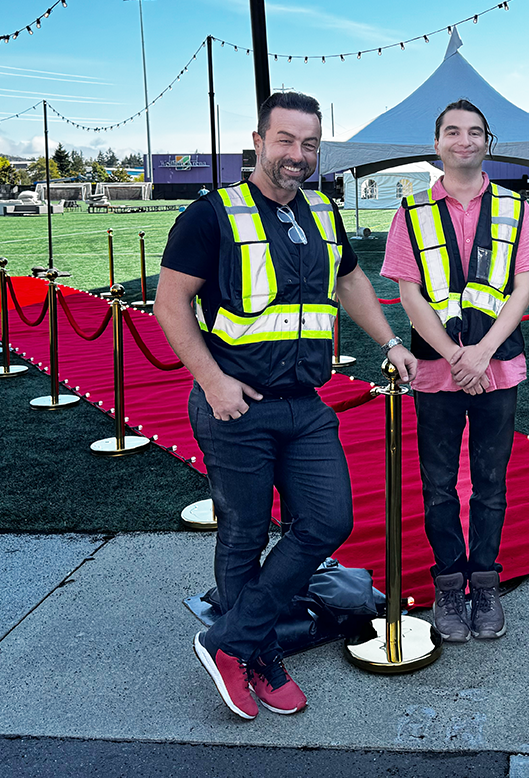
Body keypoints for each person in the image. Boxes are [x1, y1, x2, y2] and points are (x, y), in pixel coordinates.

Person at [156, 91, 416, 720]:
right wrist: (213, 382)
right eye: (286, 141)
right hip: (236, 406)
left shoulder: (323, 212)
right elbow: (171, 305)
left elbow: (350, 279)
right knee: (244, 534)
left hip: (306, 403)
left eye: (310, 144)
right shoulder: (210, 213)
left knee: (327, 523)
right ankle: (259, 654)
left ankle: (231, 641)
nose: (298, 156)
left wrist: (388, 339)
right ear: (259, 140)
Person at [381, 99, 529, 643]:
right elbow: (408, 293)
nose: (464, 141)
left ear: (488, 142)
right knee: (438, 483)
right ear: (437, 143)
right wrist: (456, 357)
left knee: (492, 482)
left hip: (497, 364)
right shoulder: (411, 210)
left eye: (475, 132)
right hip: (436, 369)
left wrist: (481, 354)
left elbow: (522, 288)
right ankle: (450, 583)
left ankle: (486, 580)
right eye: (453, 131)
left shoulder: (517, 208)